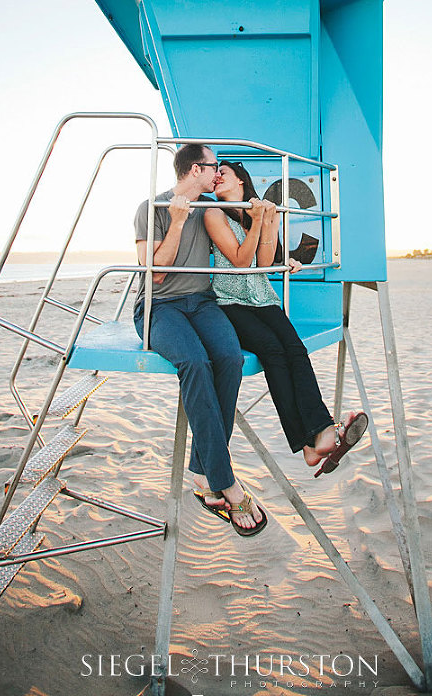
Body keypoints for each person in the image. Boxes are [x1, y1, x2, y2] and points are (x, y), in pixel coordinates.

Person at [134, 143, 267, 535]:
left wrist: (277, 241)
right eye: (213, 168)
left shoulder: (211, 208)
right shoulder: (152, 208)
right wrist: (176, 221)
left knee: (230, 358)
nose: (218, 174)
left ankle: (203, 472)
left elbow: (245, 248)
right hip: (159, 306)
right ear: (195, 169)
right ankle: (225, 481)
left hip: (202, 302)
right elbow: (154, 275)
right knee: (194, 362)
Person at [204, 161, 368, 475]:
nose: (215, 178)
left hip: (263, 297)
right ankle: (308, 441)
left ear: (241, 180)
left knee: (295, 350)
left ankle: (318, 436)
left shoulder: (258, 213)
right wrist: (257, 223)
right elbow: (240, 261)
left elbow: (263, 262)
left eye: (221, 173)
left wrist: (270, 223)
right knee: (273, 352)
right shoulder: (212, 213)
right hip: (230, 301)